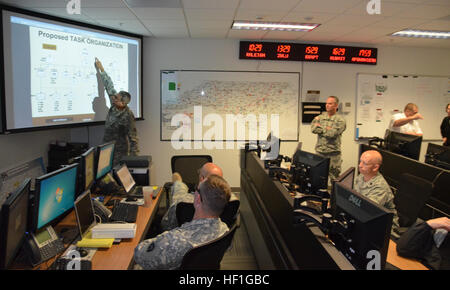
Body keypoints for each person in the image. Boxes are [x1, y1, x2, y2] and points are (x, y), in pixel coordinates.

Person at [134, 174, 231, 270]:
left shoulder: (174, 241)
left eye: (196, 190)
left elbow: (139, 254)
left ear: (197, 199)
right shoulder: (224, 229)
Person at [94, 57, 139, 166]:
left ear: (123, 103)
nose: (113, 98)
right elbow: (109, 85)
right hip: (106, 146)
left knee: (117, 173)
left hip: (119, 151)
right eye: (115, 96)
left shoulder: (128, 116)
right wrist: (101, 69)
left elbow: (133, 138)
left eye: (117, 98)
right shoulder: (113, 103)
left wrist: (134, 160)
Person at [160, 162, 224, 231]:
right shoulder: (232, 200)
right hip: (215, 231)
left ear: (202, 179)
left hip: (184, 233)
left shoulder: (183, 201)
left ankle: (178, 183)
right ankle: (179, 183)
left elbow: (166, 224)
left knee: (179, 191)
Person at [354, 150, 400, 239]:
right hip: (365, 220)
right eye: (360, 161)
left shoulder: (380, 188)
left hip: (384, 228)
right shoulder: (361, 176)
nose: (360, 165)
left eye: (365, 163)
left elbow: (368, 211)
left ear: (375, 167)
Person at [311, 96, 346, 183]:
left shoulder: (340, 120)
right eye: (326, 103)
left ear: (336, 106)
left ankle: (333, 196)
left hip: (333, 154)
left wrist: (321, 128)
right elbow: (313, 129)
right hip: (320, 152)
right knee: (318, 177)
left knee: (334, 178)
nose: (327, 105)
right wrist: (327, 128)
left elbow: (333, 134)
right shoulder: (320, 117)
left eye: (330, 103)